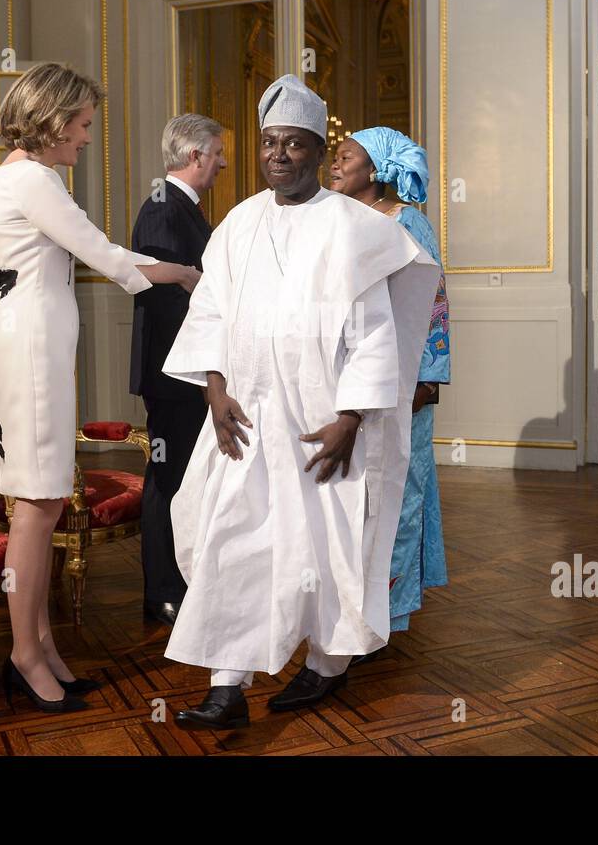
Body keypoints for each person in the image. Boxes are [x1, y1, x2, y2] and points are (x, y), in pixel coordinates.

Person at [161, 76, 439, 730]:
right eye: (267, 142)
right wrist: (216, 389)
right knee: (228, 535)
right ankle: (227, 685)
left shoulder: (350, 225)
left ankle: (328, 664)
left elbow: (375, 330)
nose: (278, 154)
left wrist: (350, 419)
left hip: (323, 419)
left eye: (293, 143)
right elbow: (210, 310)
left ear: (316, 151)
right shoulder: (239, 223)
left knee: (327, 544)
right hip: (246, 415)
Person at [0, 63, 199, 712]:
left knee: (36, 504)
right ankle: (24, 654)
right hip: (31, 359)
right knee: (36, 506)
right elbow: (107, 255)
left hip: (25, 352)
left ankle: (41, 643)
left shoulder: (5, 177)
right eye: (81, 126)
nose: (85, 139)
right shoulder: (32, 179)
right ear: (50, 119)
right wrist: (183, 272)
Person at [327, 126, 450, 662]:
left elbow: (433, 303)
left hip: (404, 384)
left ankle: (389, 611)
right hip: (349, 380)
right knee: (353, 494)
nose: (334, 163)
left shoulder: (407, 221)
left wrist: (426, 378)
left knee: (399, 493)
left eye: (345, 156)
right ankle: (347, 606)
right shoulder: (334, 218)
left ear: (373, 170)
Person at [129, 114, 226, 627]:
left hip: (185, 370)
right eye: (216, 154)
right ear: (195, 157)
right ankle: (162, 591)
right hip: (175, 373)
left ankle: (185, 580)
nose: (222, 163)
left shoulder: (180, 208)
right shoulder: (165, 207)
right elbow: (170, 301)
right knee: (167, 478)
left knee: (187, 475)